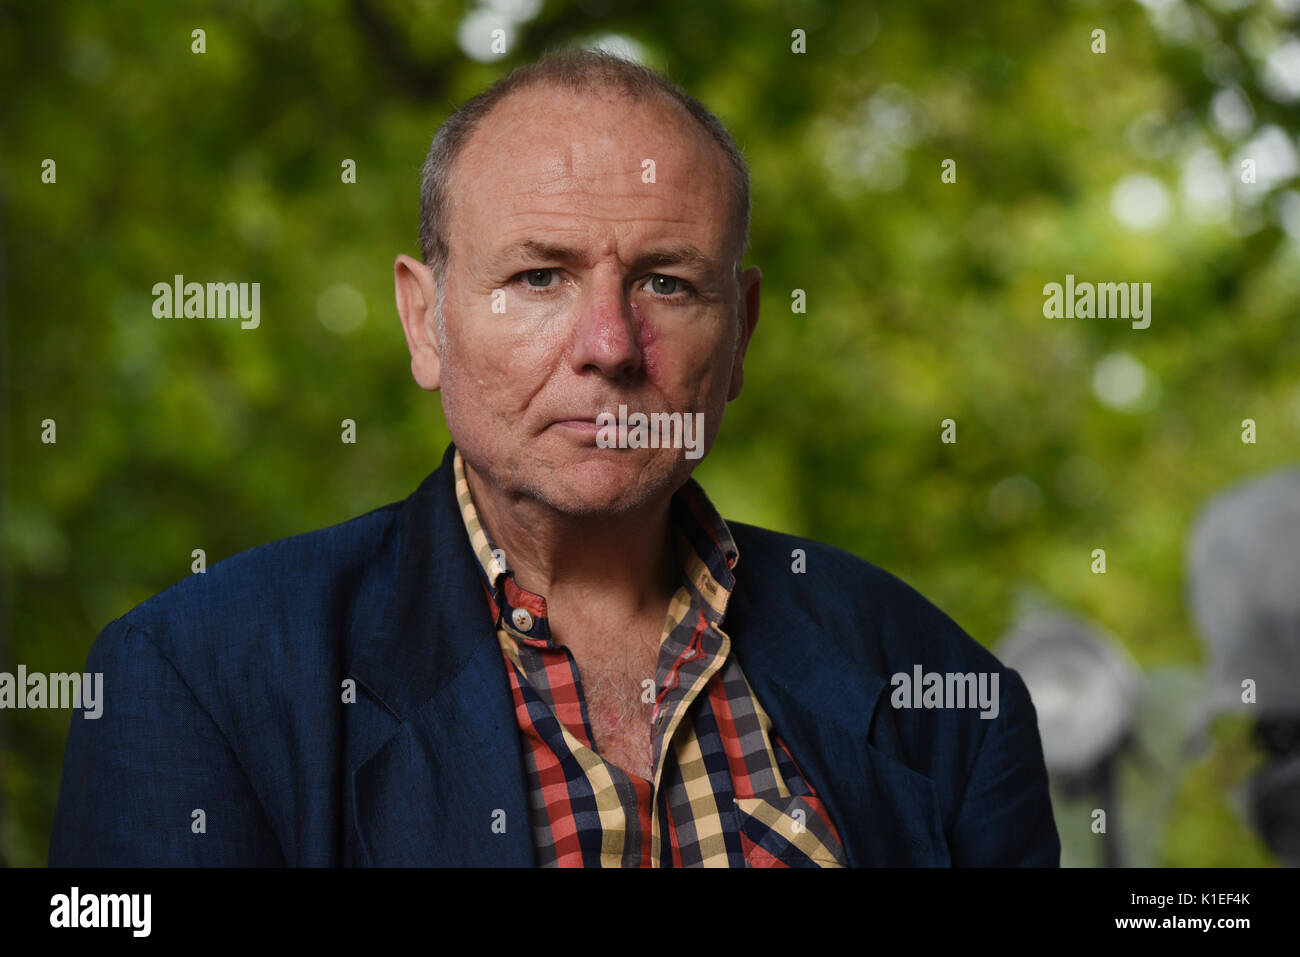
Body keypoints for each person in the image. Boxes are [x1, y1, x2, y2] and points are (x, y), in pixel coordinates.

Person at [50, 48, 1059, 867]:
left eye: (666, 283)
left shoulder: (940, 689)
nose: (611, 346)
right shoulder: (197, 679)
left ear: (740, 333)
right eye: (539, 278)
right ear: (424, 320)